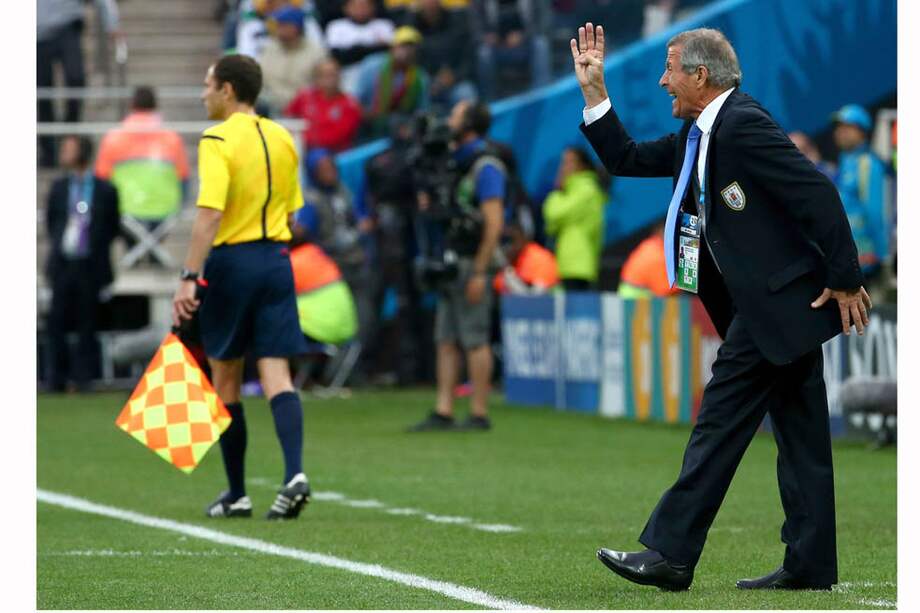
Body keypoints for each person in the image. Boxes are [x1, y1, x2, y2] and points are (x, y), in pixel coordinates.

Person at [572, 24, 871, 591]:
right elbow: (628, 158)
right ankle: (809, 565)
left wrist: (847, 281)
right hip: (776, 310)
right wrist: (594, 93)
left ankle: (670, 553)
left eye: (670, 70)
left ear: (699, 76)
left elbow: (818, 194)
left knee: (717, 426)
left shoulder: (742, 124)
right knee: (802, 436)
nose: (663, 81)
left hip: (775, 307)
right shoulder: (702, 134)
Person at [172, 54, 311, 521]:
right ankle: (294, 474)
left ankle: (237, 493)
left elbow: (210, 213)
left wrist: (189, 277)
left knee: (225, 376)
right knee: (277, 374)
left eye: (208, 84)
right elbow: (293, 213)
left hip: (234, 262)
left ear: (229, 90)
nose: (203, 93)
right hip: (277, 260)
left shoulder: (217, 137)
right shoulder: (282, 136)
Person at [407, 100, 505, 432]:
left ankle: (479, 412)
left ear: (470, 126)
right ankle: (444, 409)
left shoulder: (485, 166)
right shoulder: (452, 164)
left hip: (470, 260)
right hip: (449, 258)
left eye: (456, 115)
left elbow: (493, 223)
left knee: (475, 338)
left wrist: (480, 270)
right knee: (446, 338)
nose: (449, 121)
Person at [44, 136, 121, 392]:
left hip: (90, 263)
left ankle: (83, 377)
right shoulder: (58, 187)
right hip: (63, 263)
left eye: (69, 149)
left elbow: (111, 226)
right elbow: (52, 222)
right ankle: (56, 377)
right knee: (56, 321)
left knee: (87, 321)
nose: (64, 153)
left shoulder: (105, 189)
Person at [37, 0, 122, 167]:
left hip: (68, 26)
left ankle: (70, 135)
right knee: (42, 92)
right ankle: (49, 151)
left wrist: (112, 25)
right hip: (38, 34)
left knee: (76, 79)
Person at [95, 86, 190, 230]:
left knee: (134, 248)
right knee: (155, 249)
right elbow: (183, 179)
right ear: (156, 106)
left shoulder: (113, 138)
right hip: (165, 211)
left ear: (131, 105)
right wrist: (180, 206)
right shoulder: (172, 138)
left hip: (125, 210)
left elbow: (101, 179)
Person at [831, 104, 890, 280]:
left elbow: (875, 211)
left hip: (867, 259)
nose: (841, 132)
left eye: (848, 127)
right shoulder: (844, 161)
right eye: (839, 127)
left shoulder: (868, 163)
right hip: (848, 257)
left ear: (862, 132)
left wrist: (882, 254)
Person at [542, 146, 606, 290]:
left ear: (582, 165)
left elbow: (554, 215)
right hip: (566, 264)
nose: (563, 167)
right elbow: (551, 226)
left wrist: (557, 191)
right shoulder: (574, 190)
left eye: (569, 162)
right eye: (563, 162)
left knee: (575, 312)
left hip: (577, 266)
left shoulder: (587, 189)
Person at [354, 25, 430, 138]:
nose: (407, 51)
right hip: (369, 121)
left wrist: (410, 128)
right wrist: (365, 114)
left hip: (400, 124)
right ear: (393, 47)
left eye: (411, 47)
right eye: (403, 46)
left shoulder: (420, 77)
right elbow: (356, 100)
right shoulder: (372, 65)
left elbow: (422, 111)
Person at [471, 0, 552, 100]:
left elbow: (543, 22)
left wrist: (523, 36)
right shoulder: (480, 2)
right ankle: (491, 103)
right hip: (497, 47)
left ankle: (542, 96)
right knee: (484, 53)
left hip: (525, 44)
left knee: (540, 44)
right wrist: (488, 38)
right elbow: (475, 31)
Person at [258, 5, 329, 113]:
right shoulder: (269, 49)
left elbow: (322, 87)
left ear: (296, 27)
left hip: (305, 110)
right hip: (270, 108)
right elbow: (260, 80)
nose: (278, 29)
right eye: (278, 25)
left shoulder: (316, 52)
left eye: (283, 25)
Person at [284, 58, 363, 152]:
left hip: (335, 152)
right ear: (315, 78)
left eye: (332, 75)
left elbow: (336, 138)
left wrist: (302, 136)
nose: (328, 80)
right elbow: (287, 116)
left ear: (340, 76)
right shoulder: (304, 96)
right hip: (301, 147)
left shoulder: (350, 104)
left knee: (321, 158)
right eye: (323, 75)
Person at [412, 0, 478, 112]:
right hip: (428, 82)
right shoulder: (412, 24)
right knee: (418, 93)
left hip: (456, 81)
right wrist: (431, 80)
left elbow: (469, 57)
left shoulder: (457, 20)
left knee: (467, 96)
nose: (429, 3)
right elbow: (413, 61)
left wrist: (455, 76)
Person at [325, 0, 396, 91]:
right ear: (346, 8)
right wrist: (374, 48)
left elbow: (389, 54)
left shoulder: (384, 26)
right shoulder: (336, 27)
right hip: (347, 79)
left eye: (365, 5)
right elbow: (337, 57)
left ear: (373, 7)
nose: (360, 9)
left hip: (378, 81)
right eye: (355, 6)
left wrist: (355, 50)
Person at [493, 222, 559, 295]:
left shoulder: (539, 258)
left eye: (512, 240)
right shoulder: (505, 262)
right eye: (504, 242)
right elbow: (499, 288)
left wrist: (510, 278)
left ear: (524, 239)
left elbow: (536, 297)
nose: (508, 247)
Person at [617, 223, 678, 298]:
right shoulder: (660, 256)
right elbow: (663, 290)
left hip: (625, 291)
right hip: (637, 298)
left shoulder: (649, 244)